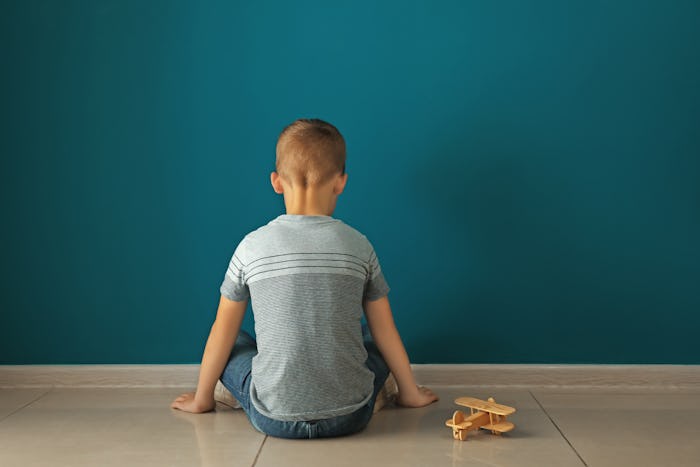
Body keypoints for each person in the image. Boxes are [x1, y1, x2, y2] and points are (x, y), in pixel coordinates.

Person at [171, 118, 438, 438]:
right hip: (351, 416)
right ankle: (387, 391)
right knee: (372, 335)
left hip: (273, 418)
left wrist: (201, 400)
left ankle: (230, 394)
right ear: (341, 182)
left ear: (276, 182)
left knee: (233, 338)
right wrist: (411, 394)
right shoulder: (359, 245)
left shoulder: (250, 246)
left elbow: (222, 332)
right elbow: (386, 329)